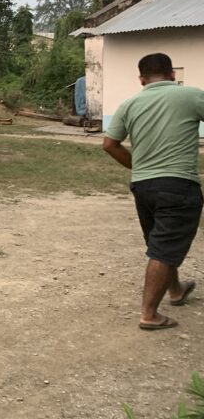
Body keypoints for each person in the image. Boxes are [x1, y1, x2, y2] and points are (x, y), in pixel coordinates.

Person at [103, 52, 204, 330]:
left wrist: (138, 167)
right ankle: (149, 315)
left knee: (161, 243)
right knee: (164, 249)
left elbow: (109, 144)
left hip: (143, 187)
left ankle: (176, 290)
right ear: (173, 74)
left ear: (141, 79)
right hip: (178, 185)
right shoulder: (191, 96)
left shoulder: (129, 104)